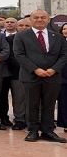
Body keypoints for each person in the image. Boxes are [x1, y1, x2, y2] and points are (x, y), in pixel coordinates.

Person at [13, 10, 67, 143]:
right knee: (32, 104)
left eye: (43, 17)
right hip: (31, 76)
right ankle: (33, 130)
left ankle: (48, 131)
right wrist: (35, 69)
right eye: (36, 17)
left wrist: (54, 69)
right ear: (31, 20)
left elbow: (64, 55)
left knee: (49, 104)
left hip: (52, 76)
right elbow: (19, 55)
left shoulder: (57, 36)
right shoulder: (21, 36)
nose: (39, 20)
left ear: (48, 20)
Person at [7, 18, 31, 130]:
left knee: (34, 99)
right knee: (18, 98)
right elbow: (11, 57)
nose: (24, 28)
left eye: (27, 25)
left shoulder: (37, 39)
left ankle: (33, 120)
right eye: (21, 25)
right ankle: (20, 120)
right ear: (17, 26)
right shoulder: (10, 39)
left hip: (36, 74)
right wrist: (28, 67)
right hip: (17, 73)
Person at [57, 23, 67, 133]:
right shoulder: (59, 43)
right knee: (64, 102)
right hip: (62, 76)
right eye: (64, 29)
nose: (65, 31)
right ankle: (65, 124)